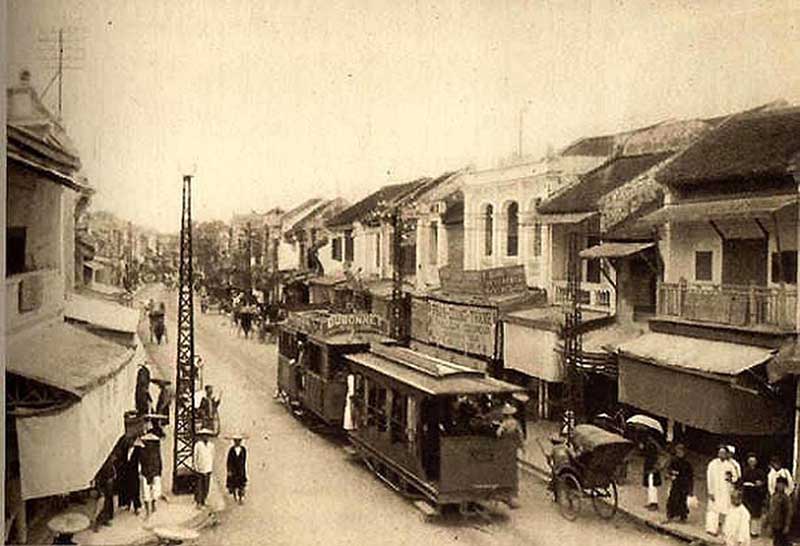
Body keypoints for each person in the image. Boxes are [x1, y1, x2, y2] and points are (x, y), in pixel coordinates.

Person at [707, 445, 742, 535]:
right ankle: (712, 529)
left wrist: (731, 479)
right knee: (713, 510)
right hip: (715, 490)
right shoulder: (713, 464)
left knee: (726, 510)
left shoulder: (730, 465)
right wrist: (710, 491)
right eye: (720, 453)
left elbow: (736, 477)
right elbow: (709, 478)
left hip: (726, 490)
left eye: (723, 453)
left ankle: (726, 529)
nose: (721, 454)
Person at [665, 443, 694, 523]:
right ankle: (670, 516)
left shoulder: (687, 463)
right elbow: (668, 470)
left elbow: (690, 476)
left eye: (681, 451)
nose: (679, 453)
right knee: (672, 499)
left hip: (684, 484)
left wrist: (690, 488)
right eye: (678, 450)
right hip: (675, 483)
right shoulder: (673, 460)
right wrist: (670, 475)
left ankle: (683, 517)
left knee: (682, 500)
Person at [740, 453, 766, 537]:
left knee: (755, 514)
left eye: (753, 461)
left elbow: (764, 482)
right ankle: (744, 530)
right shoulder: (745, 470)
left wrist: (760, 483)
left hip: (756, 494)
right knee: (746, 512)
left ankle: (754, 532)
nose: (751, 463)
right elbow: (741, 480)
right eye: (750, 461)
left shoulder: (760, 472)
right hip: (747, 493)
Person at [118, 436, 144, 514]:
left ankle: (137, 507)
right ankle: (127, 504)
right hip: (127, 472)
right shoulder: (125, 450)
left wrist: (140, 471)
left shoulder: (138, 450)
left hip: (134, 472)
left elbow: (140, 461)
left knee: (135, 489)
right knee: (127, 488)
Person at [140, 432, 163, 518]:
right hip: (147, 472)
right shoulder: (145, 452)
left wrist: (158, 471)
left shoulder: (153, 452)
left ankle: (151, 508)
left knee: (153, 491)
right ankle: (149, 510)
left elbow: (159, 461)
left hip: (151, 472)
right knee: (148, 492)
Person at [768, 476, 794, 546]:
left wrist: (787, 525)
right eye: (779, 484)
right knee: (776, 542)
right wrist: (769, 524)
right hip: (775, 525)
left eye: (782, 485)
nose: (780, 486)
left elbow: (789, 513)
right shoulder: (773, 496)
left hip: (782, 525)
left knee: (783, 542)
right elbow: (770, 511)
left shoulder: (786, 498)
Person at [92, 459, 116, 532]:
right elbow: (97, 477)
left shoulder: (110, 462)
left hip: (109, 485)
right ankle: (96, 523)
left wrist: (111, 478)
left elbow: (114, 472)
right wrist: (98, 489)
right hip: (102, 485)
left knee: (108, 504)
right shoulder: (99, 462)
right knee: (100, 504)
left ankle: (105, 520)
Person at [194, 429, 215, 508]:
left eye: (206, 435)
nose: (205, 437)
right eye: (203, 435)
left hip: (208, 468)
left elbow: (212, 456)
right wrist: (196, 467)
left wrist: (211, 467)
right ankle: (198, 502)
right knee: (199, 486)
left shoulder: (211, 445)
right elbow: (195, 456)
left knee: (206, 486)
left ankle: (204, 500)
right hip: (200, 468)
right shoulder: (198, 445)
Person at [642, 436, 663, 511]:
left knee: (652, 487)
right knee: (651, 487)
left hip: (652, 469)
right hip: (651, 469)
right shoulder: (653, 445)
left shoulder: (651, 446)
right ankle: (651, 502)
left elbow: (651, 458)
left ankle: (654, 504)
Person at [226, 434, 248, 504]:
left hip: (241, 470)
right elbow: (229, 461)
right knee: (234, 484)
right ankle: (235, 497)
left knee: (241, 485)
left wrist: (243, 468)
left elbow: (244, 460)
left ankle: (241, 498)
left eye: (239, 441)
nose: (237, 442)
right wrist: (229, 470)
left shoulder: (243, 450)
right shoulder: (231, 450)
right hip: (233, 470)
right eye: (236, 441)